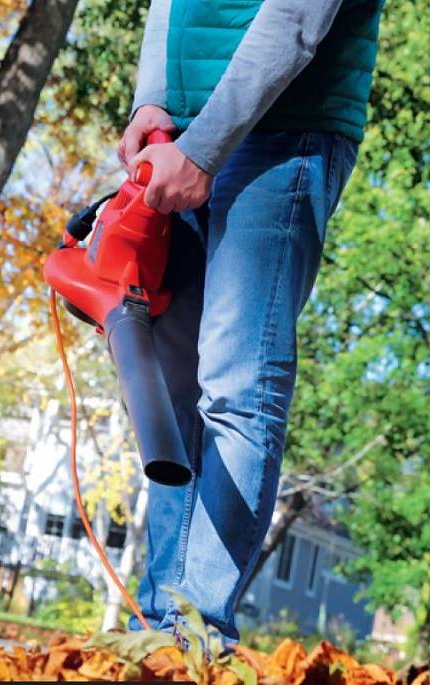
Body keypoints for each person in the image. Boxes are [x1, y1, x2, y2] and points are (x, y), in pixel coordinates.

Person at [119, 0, 385, 644]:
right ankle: (159, 624)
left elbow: (297, 16)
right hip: (179, 138)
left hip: (283, 130)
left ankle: (196, 629)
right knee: (173, 392)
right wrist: (151, 102)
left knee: (237, 388)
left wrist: (205, 149)